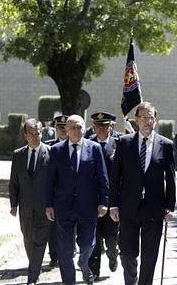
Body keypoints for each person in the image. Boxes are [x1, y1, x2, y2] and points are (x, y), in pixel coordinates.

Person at [109, 102, 176, 285]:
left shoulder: (166, 145)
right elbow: (115, 177)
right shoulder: (124, 143)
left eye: (151, 117)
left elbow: (170, 179)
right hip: (128, 207)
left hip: (154, 209)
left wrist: (170, 207)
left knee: (150, 255)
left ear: (156, 119)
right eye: (144, 117)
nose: (148, 121)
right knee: (127, 252)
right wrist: (113, 204)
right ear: (137, 120)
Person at [45, 115, 109, 285]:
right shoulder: (57, 150)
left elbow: (103, 177)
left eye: (79, 127)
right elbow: (50, 180)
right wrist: (49, 204)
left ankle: (83, 262)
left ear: (84, 128)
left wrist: (103, 202)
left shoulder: (94, 148)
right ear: (66, 129)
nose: (76, 131)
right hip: (63, 207)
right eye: (72, 127)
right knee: (65, 251)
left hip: (88, 206)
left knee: (88, 244)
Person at [9, 118, 52, 285]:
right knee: (28, 240)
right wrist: (13, 204)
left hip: (44, 208)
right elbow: (14, 182)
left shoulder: (51, 152)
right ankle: (35, 265)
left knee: (40, 241)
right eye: (31, 134)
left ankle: (32, 277)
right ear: (25, 135)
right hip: (25, 208)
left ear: (42, 133)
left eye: (38, 133)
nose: (35, 137)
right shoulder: (18, 155)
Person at [88, 112, 120, 280]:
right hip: (92, 200)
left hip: (112, 200)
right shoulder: (87, 144)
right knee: (93, 237)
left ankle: (113, 255)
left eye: (104, 125)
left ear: (110, 126)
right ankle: (94, 272)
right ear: (94, 127)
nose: (101, 129)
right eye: (98, 126)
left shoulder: (119, 143)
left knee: (111, 238)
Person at [43, 114, 69, 267]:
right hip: (54, 193)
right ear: (56, 129)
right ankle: (54, 255)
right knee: (52, 227)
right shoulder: (49, 147)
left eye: (66, 128)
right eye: (60, 128)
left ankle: (67, 252)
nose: (63, 131)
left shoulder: (77, 146)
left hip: (71, 194)